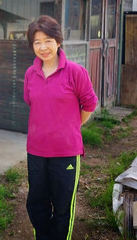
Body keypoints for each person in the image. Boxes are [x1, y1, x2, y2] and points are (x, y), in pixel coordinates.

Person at [23, 15, 98, 240]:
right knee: (37, 204)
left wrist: (72, 126)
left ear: (58, 40)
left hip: (65, 152)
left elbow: (90, 103)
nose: (43, 47)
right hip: (36, 151)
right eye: (37, 42)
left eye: (48, 40)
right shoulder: (30, 74)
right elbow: (32, 103)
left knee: (63, 207)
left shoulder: (75, 71)